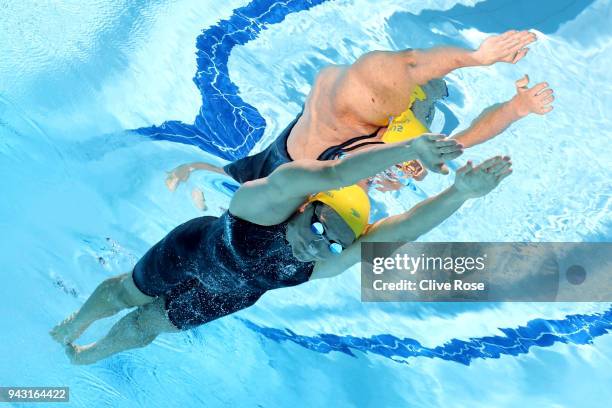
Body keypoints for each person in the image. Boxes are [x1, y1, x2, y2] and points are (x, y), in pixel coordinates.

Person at [50, 134, 512, 364]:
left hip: (224, 295)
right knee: (123, 296)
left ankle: (84, 356)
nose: (320, 244)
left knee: (145, 325)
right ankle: (73, 324)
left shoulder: (318, 267)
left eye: (335, 243)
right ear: (303, 208)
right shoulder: (263, 206)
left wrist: (460, 194)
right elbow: (331, 176)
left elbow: (399, 230)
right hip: (192, 250)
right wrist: (405, 148)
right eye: (319, 226)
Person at [166, 30, 552, 201]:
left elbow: (411, 69)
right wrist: (510, 100)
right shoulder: (362, 116)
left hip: (327, 148)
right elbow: (410, 70)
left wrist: (508, 97)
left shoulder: (373, 125)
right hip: (327, 152)